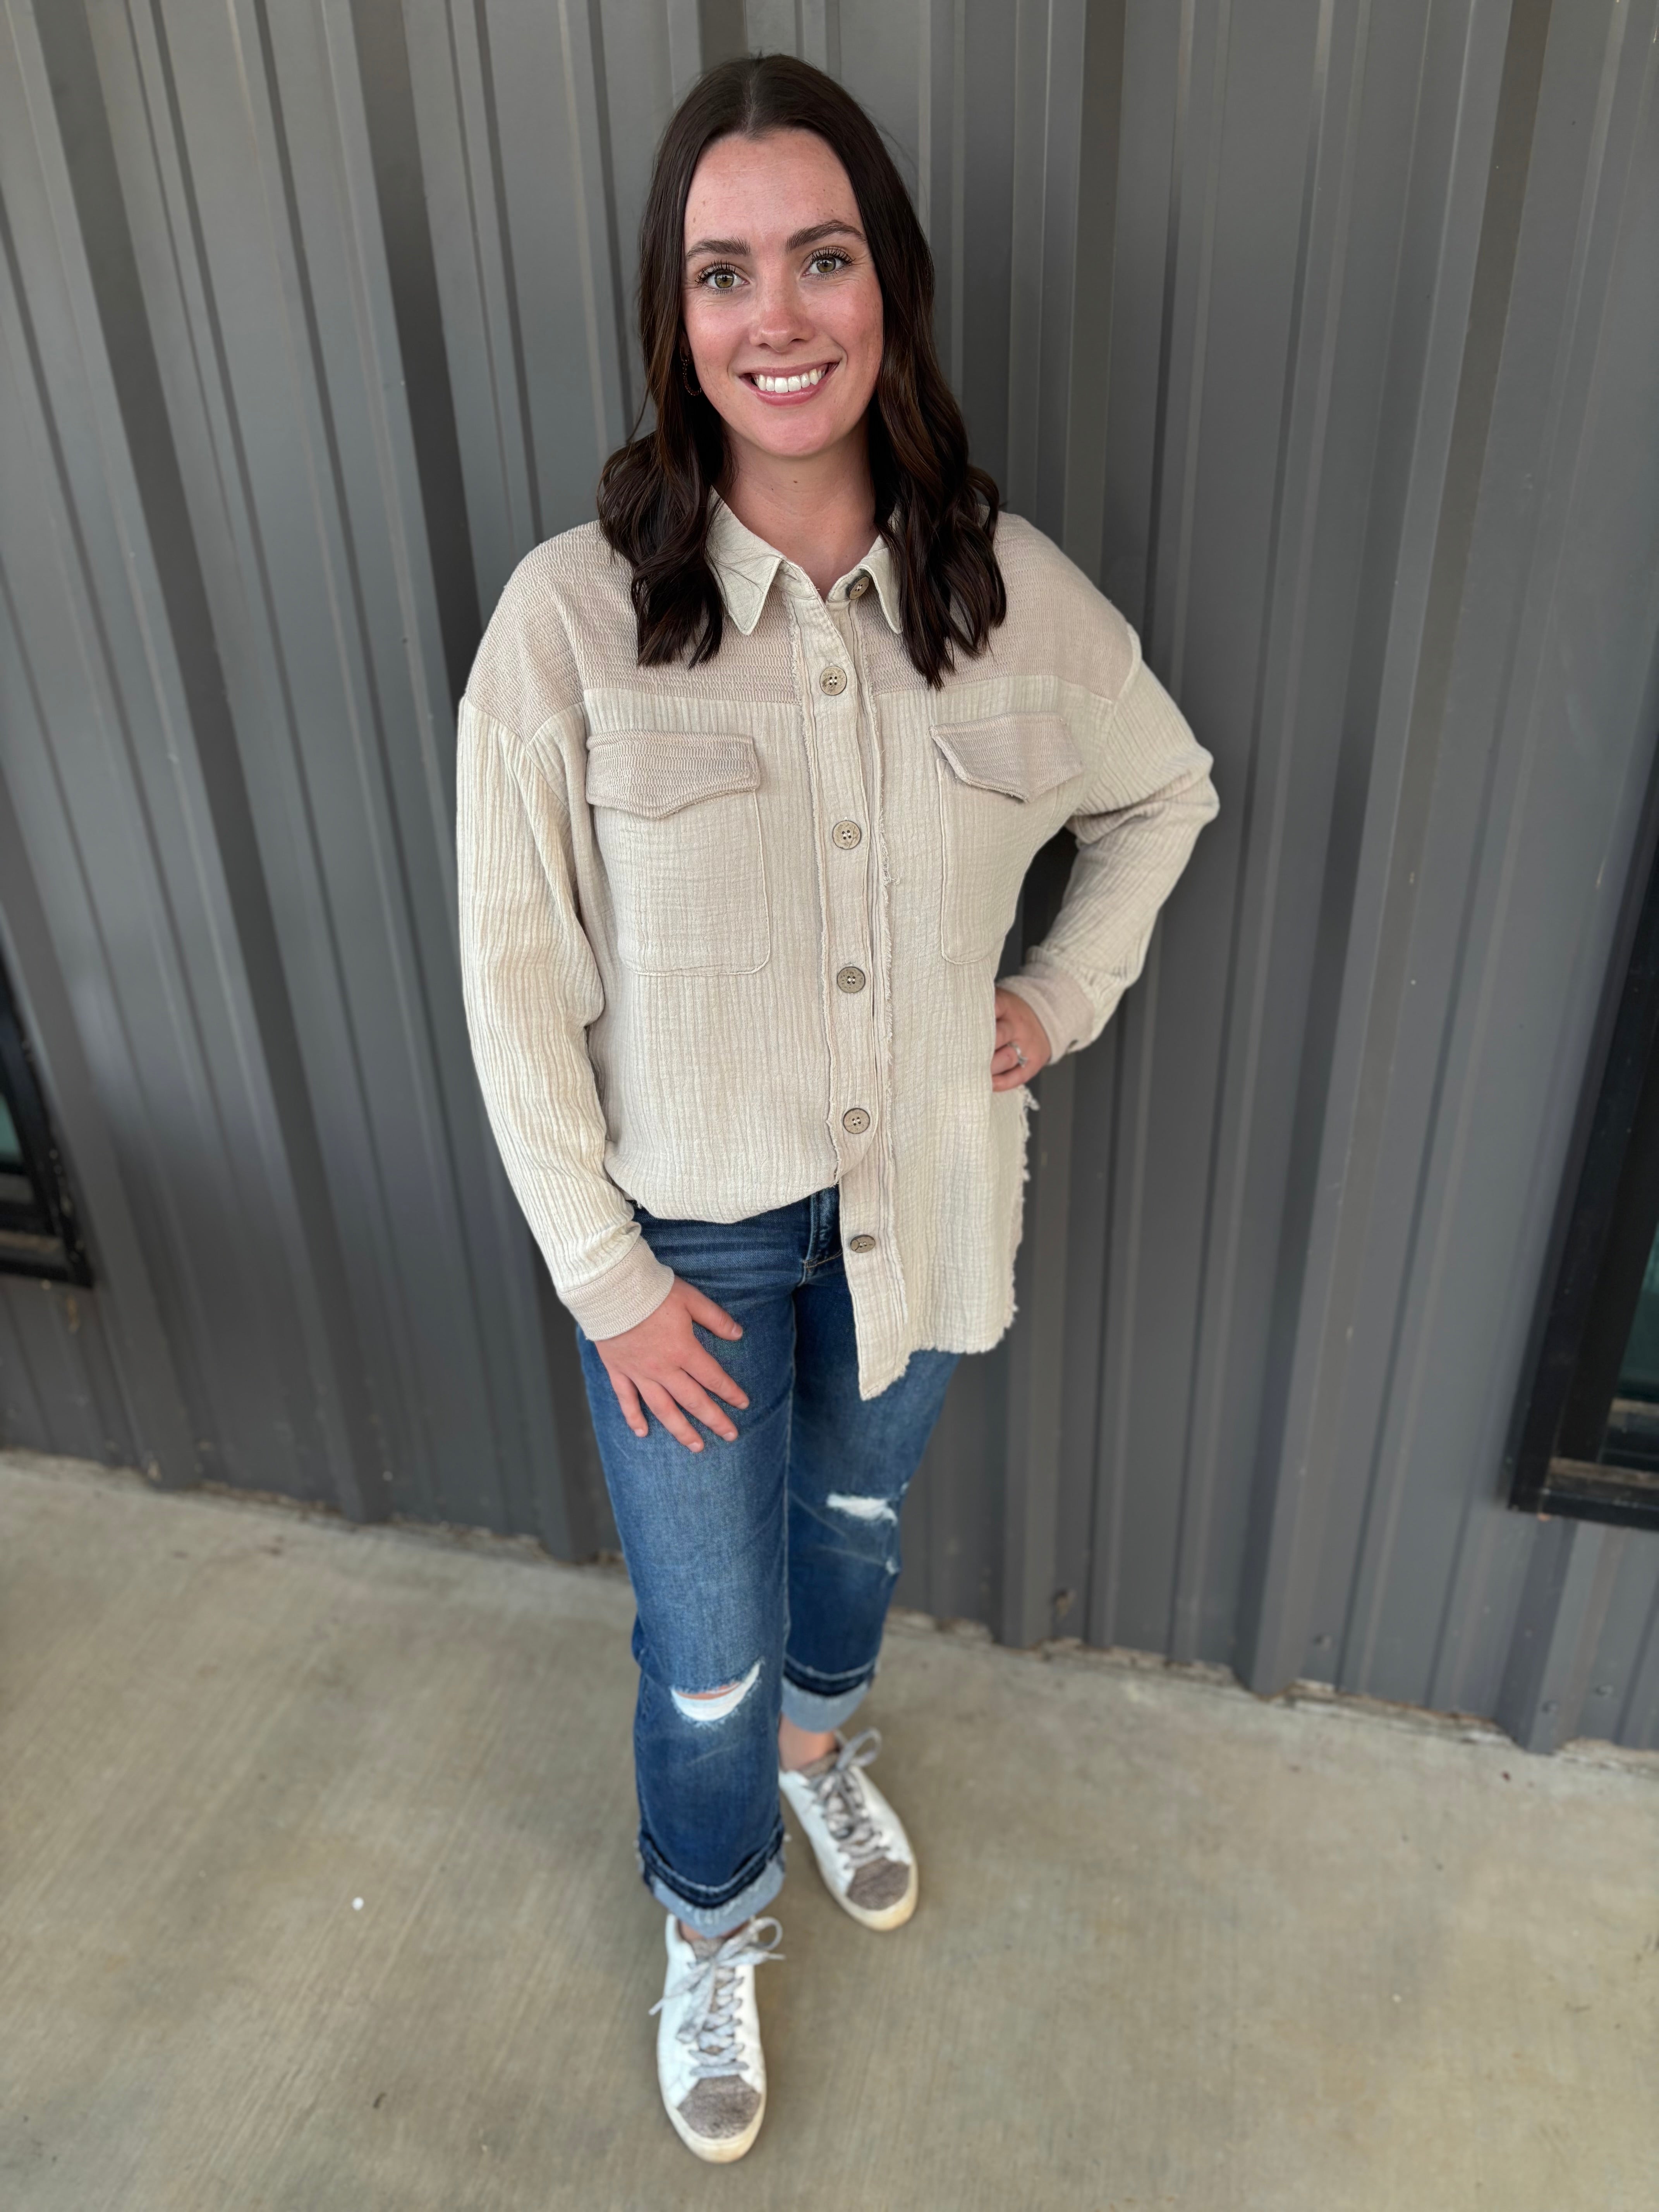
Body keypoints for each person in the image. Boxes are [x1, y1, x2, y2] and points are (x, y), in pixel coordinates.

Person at [456, 53, 1218, 2166]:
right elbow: (513, 987)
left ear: (889, 288)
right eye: (723, 273)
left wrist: (1054, 1001)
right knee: (702, 1646)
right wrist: (607, 1286)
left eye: (819, 257)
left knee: (850, 1544)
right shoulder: (574, 619)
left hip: (935, 1204)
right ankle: (713, 1915)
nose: (775, 315)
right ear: (672, 314)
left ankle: (826, 1749)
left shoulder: (1004, 596)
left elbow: (1170, 789)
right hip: (685, 1250)